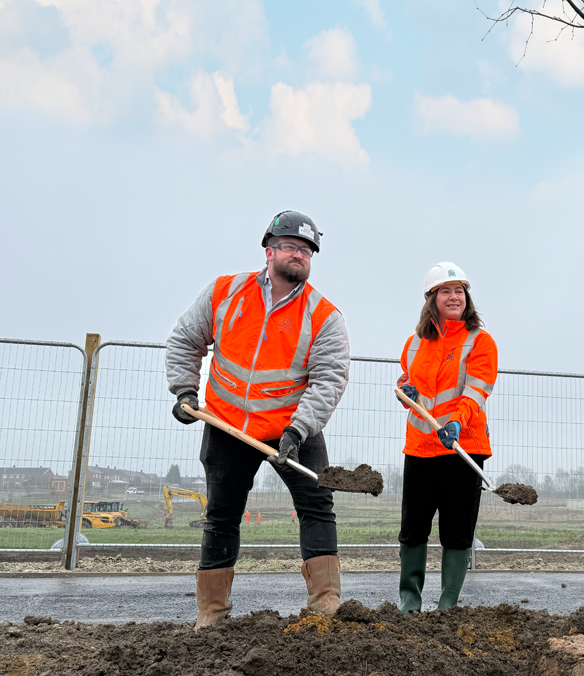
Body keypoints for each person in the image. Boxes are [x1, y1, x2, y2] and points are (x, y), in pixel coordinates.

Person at [166, 210, 350, 629]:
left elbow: (329, 379)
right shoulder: (225, 292)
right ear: (269, 251)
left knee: (318, 506)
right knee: (222, 514)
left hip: (292, 430)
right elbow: (184, 340)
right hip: (228, 425)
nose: (299, 255)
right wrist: (185, 391)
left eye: (306, 250)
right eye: (290, 246)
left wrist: (298, 430)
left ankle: (325, 605)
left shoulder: (323, 315)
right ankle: (211, 612)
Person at [395, 262, 498, 613]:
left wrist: (455, 422)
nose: (454, 297)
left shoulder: (480, 342)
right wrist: (404, 390)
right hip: (420, 449)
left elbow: (477, 390)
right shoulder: (414, 343)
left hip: (463, 448)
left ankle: (448, 603)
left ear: (467, 298)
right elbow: (406, 383)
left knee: (456, 530)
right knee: (413, 528)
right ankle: (409, 599)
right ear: (432, 299)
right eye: (446, 291)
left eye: (459, 291)